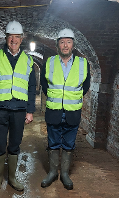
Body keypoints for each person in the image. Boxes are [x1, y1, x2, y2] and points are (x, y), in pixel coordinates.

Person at [0, 20, 36, 192]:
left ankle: (12, 178)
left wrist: (30, 110)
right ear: (6, 38)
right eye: (10, 36)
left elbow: (32, 87)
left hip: (19, 110)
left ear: (22, 39)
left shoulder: (28, 61)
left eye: (17, 37)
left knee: (14, 144)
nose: (14, 40)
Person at [40, 28, 90, 190]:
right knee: (53, 142)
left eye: (68, 42)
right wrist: (57, 98)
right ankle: (53, 172)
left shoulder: (83, 64)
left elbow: (86, 85)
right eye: (62, 42)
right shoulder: (49, 62)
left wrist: (71, 98)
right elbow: (44, 84)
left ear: (73, 45)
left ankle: (65, 174)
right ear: (57, 45)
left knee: (69, 143)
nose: (65, 45)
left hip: (72, 111)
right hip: (54, 110)